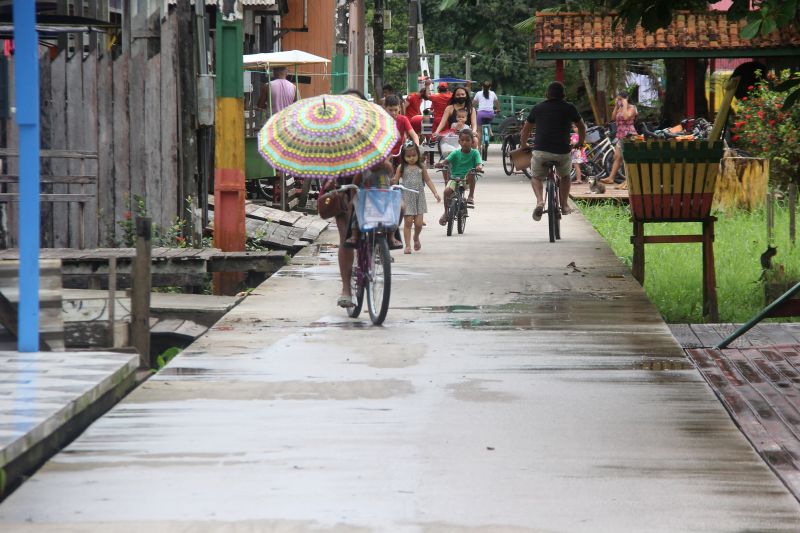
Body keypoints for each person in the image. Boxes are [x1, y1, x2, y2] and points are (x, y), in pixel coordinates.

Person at [518, 81, 586, 220]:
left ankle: (540, 201)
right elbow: (582, 127)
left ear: (546, 94)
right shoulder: (569, 108)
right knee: (565, 177)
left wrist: (523, 144)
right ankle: (564, 205)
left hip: (541, 151)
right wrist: (580, 142)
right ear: (564, 95)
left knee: (536, 177)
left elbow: (526, 129)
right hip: (562, 151)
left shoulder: (538, 108)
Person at [392, 144, 440, 254]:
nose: (411, 158)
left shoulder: (421, 166)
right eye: (408, 156)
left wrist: (435, 193)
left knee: (418, 224)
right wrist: (392, 182)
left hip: (419, 196)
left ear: (418, 155)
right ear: (403, 157)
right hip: (406, 197)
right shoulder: (401, 167)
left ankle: (416, 237)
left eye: (414, 155)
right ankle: (408, 246)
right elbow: (395, 180)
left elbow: (427, 180)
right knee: (408, 222)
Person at [435, 128, 482, 225]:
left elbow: (479, 163)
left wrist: (478, 167)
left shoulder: (475, 153)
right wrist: (441, 164)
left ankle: (471, 196)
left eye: (468, 140)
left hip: (467, 180)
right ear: (459, 142)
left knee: (471, 173)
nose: (465, 143)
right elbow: (446, 161)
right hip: (455, 178)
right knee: (447, 192)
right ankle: (446, 212)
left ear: (472, 142)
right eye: (463, 140)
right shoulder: (455, 153)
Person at [601, 90, 637, 189]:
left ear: (626, 99)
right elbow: (613, 118)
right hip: (620, 134)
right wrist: (617, 106)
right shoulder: (620, 108)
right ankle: (611, 178)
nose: (619, 101)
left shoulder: (632, 108)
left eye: (620, 99)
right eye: (618, 99)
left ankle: (627, 181)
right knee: (617, 157)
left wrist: (625, 104)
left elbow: (626, 117)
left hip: (629, 135)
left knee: (627, 158)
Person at [384, 95, 420, 164]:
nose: (393, 113)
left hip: (400, 150)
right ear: (385, 108)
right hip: (386, 151)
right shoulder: (382, 120)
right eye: (390, 110)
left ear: (399, 108)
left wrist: (416, 147)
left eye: (395, 110)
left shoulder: (403, 119)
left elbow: (414, 135)